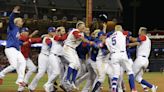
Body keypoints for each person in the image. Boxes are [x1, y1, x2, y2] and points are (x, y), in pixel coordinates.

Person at [0, 6, 26, 86]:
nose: (22, 22)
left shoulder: (18, 30)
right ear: (17, 22)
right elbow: (11, 19)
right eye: (21, 21)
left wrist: (21, 43)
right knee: (14, 66)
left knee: (23, 62)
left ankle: (20, 80)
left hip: (16, 50)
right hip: (10, 49)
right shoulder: (12, 27)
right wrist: (13, 12)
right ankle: (1, 74)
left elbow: (16, 41)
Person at [106, 25, 137, 92]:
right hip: (122, 54)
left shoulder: (109, 38)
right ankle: (133, 89)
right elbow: (129, 33)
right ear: (120, 29)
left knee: (116, 74)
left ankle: (113, 87)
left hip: (113, 55)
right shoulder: (122, 33)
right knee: (130, 71)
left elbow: (109, 48)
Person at [128, 27, 158, 92]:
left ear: (142, 32)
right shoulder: (146, 40)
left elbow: (134, 40)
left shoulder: (144, 37)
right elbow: (136, 43)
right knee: (138, 78)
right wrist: (127, 45)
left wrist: (129, 37)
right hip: (145, 60)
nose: (138, 32)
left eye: (139, 31)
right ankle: (152, 87)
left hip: (140, 59)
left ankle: (133, 90)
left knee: (131, 75)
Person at [28, 27, 56, 92]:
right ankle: (31, 87)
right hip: (43, 56)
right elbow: (50, 44)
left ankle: (50, 88)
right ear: (49, 32)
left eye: (54, 31)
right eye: (52, 31)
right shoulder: (47, 38)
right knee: (41, 73)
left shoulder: (53, 38)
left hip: (50, 57)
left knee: (51, 73)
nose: (54, 33)